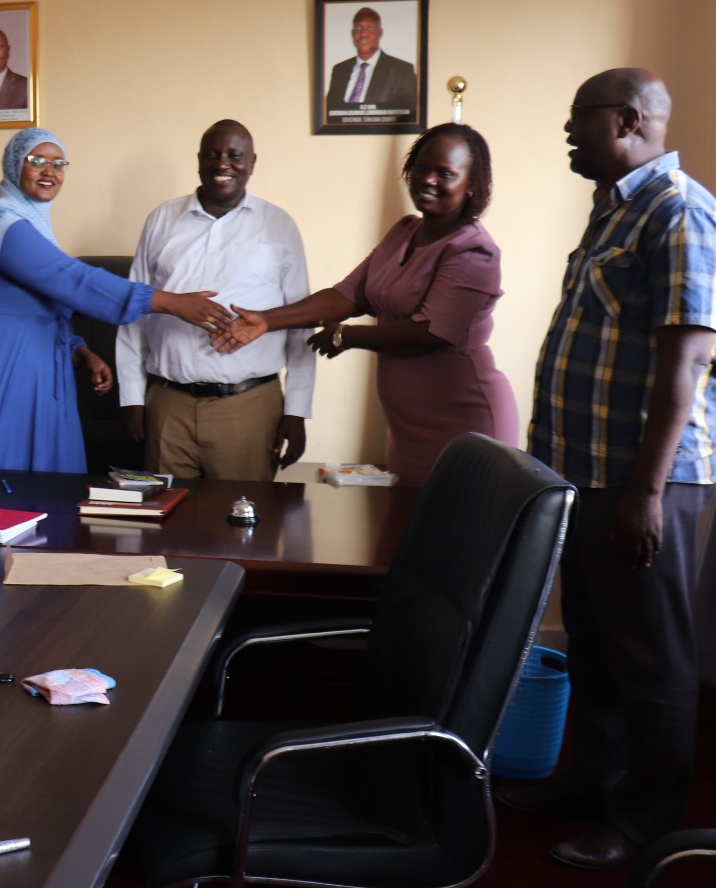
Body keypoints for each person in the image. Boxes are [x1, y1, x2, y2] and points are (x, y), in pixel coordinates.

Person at [498, 69, 716, 871]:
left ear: (625, 120)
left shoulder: (680, 210)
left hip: (641, 481)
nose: (567, 130)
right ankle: (595, 782)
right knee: (595, 642)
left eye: (577, 117)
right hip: (584, 473)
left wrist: (645, 493)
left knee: (651, 659)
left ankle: (645, 822)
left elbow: (685, 363)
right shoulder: (616, 208)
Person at [215, 123, 518, 485]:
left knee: (464, 520)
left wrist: (346, 336)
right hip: (408, 430)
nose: (428, 179)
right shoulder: (404, 231)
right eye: (422, 167)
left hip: (465, 425)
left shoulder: (473, 249)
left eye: (445, 173)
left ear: (471, 185)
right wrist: (266, 319)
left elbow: (430, 332)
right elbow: (347, 295)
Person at [0, 127, 223, 473]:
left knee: (39, 496)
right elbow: (71, 280)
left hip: (24, 383)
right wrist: (170, 302)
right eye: (37, 161)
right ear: (14, 165)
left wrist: (79, 351)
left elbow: (36, 307)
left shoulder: (31, 224)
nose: (49, 171)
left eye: (58, 163)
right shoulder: (2, 223)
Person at [116, 120, 315, 480]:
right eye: (212, 154)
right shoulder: (162, 219)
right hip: (168, 406)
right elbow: (135, 310)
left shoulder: (279, 225)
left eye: (234, 156)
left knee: (244, 513)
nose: (223, 164)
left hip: (249, 408)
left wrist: (296, 411)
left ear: (252, 163)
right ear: (199, 161)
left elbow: (300, 321)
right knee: (168, 513)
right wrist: (131, 398)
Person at [325, 7, 417, 118]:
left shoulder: (402, 70)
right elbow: (329, 113)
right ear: (352, 33)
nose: (363, 33)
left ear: (380, 33)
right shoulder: (339, 70)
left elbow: (412, 115)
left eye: (370, 28)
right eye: (358, 28)